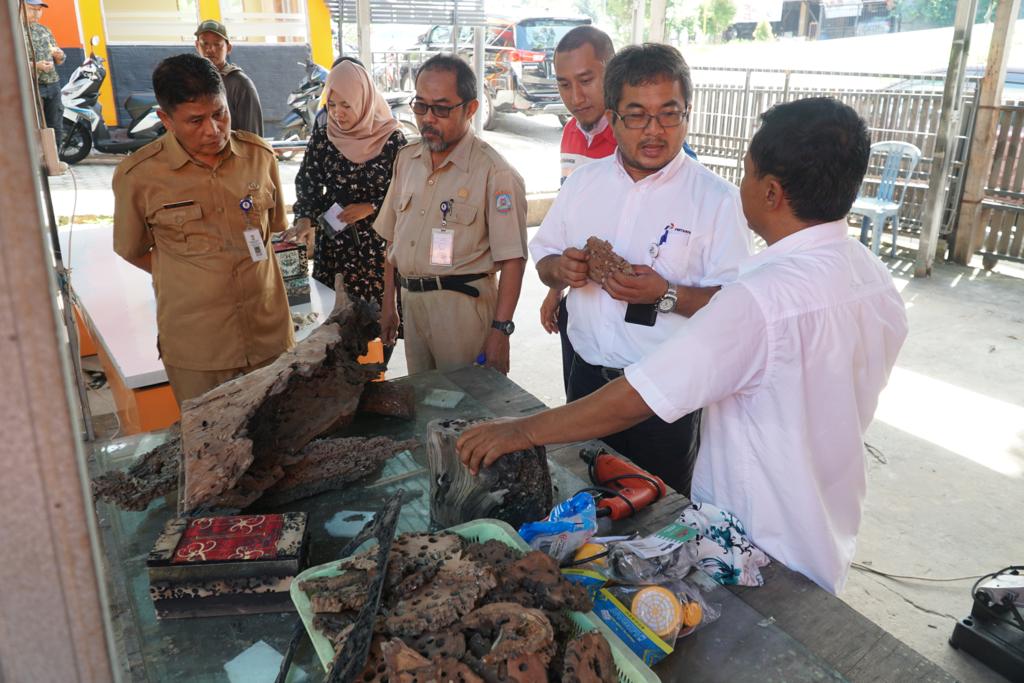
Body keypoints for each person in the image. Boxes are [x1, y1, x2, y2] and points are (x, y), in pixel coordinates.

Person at [458, 97, 910, 595]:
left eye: (748, 172)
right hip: (825, 533)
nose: (741, 184)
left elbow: (639, 397)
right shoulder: (872, 277)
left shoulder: (758, 300)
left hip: (754, 546)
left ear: (771, 193)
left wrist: (521, 430)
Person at [529, 43, 750, 495]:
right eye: (636, 116)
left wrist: (667, 294)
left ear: (687, 114)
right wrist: (562, 270)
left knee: (660, 512)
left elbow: (738, 309)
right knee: (584, 498)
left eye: (669, 114)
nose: (654, 130)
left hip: (666, 396)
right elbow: (544, 259)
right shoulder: (583, 184)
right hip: (586, 379)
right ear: (612, 118)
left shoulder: (718, 201)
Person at [112, 53, 293, 405]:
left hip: (269, 336)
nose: (212, 130)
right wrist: (190, 275)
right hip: (200, 349)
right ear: (165, 119)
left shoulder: (259, 157)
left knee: (285, 426)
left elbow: (273, 227)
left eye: (219, 114)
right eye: (195, 120)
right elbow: (131, 249)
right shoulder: (139, 176)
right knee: (210, 435)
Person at [373, 54, 527, 375]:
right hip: (412, 305)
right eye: (420, 106)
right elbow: (392, 239)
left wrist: (501, 331)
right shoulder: (407, 160)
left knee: (468, 402)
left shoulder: (495, 173)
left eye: (441, 109)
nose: (428, 118)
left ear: (471, 109)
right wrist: (390, 303)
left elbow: (513, 259)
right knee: (424, 400)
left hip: (463, 311)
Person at [284, 60, 406, 359]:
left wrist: (371, 207)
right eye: (332, 104)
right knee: (333, 326)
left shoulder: (393, 141)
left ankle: (376, 373)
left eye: (346, 105)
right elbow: (308, 182)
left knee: (376, 326)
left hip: (377, 250)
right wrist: (305, 218)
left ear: (363, 100)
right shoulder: (324, 137)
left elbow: (407, 194)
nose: (337, 113)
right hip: (335, 248)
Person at [195, 19, 264, 135]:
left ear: (228, 48)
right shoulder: (192, 81)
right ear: (197, 46)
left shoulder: (240, 84)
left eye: (217, 44)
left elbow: (253, 137)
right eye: (204, 44)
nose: (210, 49)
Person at [22, 0, 65, 142]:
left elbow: (59, 59)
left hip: (53, 84)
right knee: (35, 127)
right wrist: (35, 65)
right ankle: (39, 156)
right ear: (20, 9)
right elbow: (9, 63)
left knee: (56, 126)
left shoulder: (44, 30)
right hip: (31, 87)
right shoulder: (13, 32)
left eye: (39, 10)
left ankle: (56, 155)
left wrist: (59, 55)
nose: (36, 13)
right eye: (31, 9)